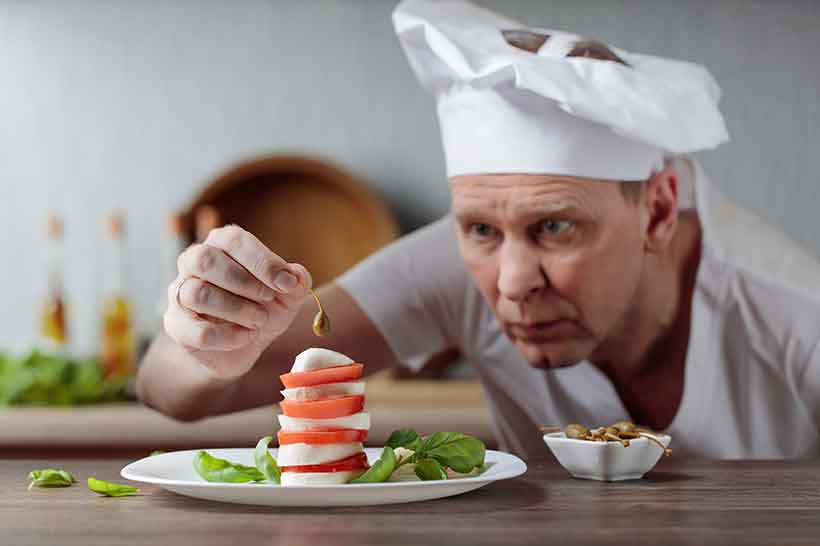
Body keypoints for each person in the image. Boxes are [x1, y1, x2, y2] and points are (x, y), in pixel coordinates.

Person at [137, 0, 820, 459]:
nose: (514, 281)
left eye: (555, 227)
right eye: (480, 229)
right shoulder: (458, 266)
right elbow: (167, 394)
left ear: (660, 209)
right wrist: (207, 346)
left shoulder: (792, 310)